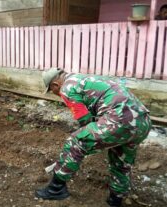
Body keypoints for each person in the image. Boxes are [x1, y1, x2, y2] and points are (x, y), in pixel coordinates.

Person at [35, 68, 151, 207]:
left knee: (75, 142)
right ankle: (115, 200)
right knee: (121, 161)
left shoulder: (67, 88)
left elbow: (85, 121)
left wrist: (86, 140)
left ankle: (56, 189)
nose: (54, 93)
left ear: (55, 85)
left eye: (51, 91)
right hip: (142, 122)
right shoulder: (83, 78)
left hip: (120, 120)